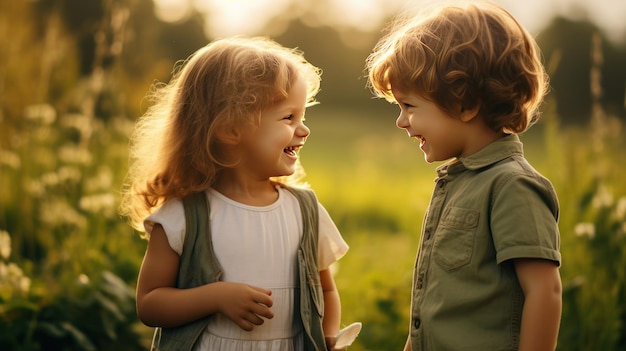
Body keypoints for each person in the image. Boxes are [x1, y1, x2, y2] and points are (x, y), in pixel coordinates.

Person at [119, 36, 349, 351]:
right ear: (230, 129)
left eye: (303, 117)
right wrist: (216, 297)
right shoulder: (186, 214)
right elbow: (150, 304)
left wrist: (328, 337)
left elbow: (326, 291)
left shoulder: (304, 210)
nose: (304, 129)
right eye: (288, 117)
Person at [365, 1, 562, 350]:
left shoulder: (512, 185)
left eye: (409, 106)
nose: (401, 121)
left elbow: (544, 290)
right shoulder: (457, 182)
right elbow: (434, 303)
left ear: (465, 103)